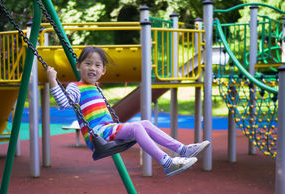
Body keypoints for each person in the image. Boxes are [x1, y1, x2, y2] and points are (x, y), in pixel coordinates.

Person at [47, 46, 210, 177]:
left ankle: (183, 149)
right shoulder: (76, 87)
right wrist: (53, 80)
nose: (92, 68)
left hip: (106, 129)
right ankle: (168, 163)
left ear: (103, 70)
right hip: (97, 134)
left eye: (97, 65)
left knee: (145, 123)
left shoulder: (95, 87)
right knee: (136, 127)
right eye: (88, 63)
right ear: (78, 66)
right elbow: (63, 103)